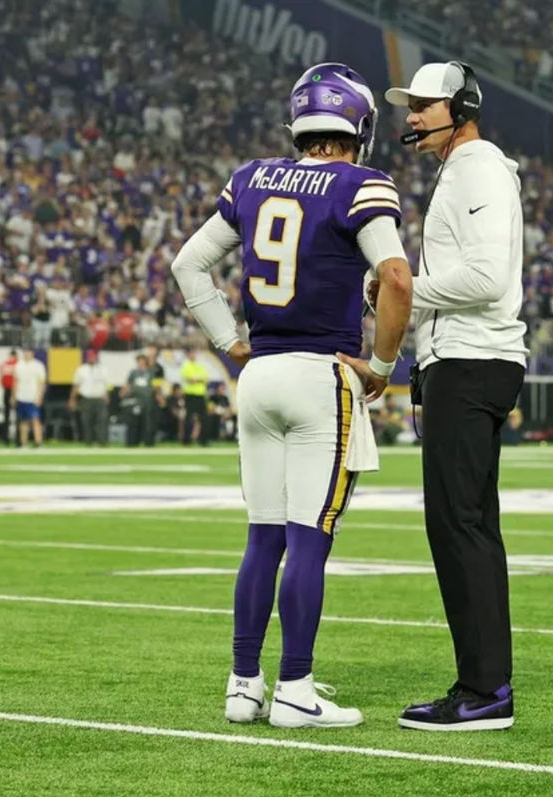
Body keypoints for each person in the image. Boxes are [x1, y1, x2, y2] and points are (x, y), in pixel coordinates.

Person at [170, 62, 412, 728]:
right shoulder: (361, 184)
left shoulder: (251, 177)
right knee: (309, 539)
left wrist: (229, 341)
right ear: (357, 126)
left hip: (260, 373)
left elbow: (188, 263)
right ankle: (295, 690)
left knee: (261, 538)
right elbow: (395, 277)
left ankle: (243, 685)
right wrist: (384, 366)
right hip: (319, 375)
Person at [385, 61, 526, 731]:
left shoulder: (477, 168)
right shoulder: (465, 169)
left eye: (424, 105)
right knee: (469, 525)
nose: (411, 116)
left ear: (461, 106)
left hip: (471, 361)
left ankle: (483, 689)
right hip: (472, 359)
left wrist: (401, 289)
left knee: (458, 524)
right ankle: (485, 682)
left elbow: (487, 277)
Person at [69, 349, 109, 446]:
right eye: (89, 356)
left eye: (93, 356)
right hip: (86, 398)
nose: (91, 358)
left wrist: (107, 396)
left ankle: (101, 442)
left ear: (96, 357)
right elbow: (76, 385)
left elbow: (107, 384)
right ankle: (88, 442)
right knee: (87, 421)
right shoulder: (81, 369)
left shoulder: (102, 369)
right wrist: (72, 399)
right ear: (87, 358)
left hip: (99, 398)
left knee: (102, 420)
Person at [122, 354, 159, 447]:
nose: (141, 363)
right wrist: (123, 392)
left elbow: (155, 386)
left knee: (148, 423)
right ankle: (133, 442)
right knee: (134, 422)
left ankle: (148, 442)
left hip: (148, 400)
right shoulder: (133, 372)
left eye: (143, 361)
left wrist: (158, 396)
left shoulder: (151, 372)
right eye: (139, 361)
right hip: (136, 400)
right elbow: (128, 384)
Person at [12, 348, 46, 447]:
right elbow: (16, 382)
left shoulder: (38, 365)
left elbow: (42, 383)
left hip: (32, 397)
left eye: (28, 352)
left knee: (35, 420)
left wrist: (39, 396)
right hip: (21, 396)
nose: (27, 354)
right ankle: (23, 443)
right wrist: (13, 396)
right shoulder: (19, 365)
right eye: (25, 352)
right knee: (23, 421)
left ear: (32, 353)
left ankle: (38, 442)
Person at [181, 347, 210, 445]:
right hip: (190, 394)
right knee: (189, 418)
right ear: (188, 355)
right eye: (191, 353)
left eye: (194, 353)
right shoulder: (186, 365)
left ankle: (203, 440)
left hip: (200, 394)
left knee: (203, 418)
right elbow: (190, 379)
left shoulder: (199, 365)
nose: (193, 355)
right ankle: (186, 440)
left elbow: (205, 378)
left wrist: (197, 379)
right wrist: (199, 379)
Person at [0, 349, 18, 444]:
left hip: (7, 390)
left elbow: (0, 378)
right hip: (15, 391)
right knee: (17, 416)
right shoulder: (18, 364)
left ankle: (5, 437)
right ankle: (17, 438)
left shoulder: (4, 365)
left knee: (7, 415)